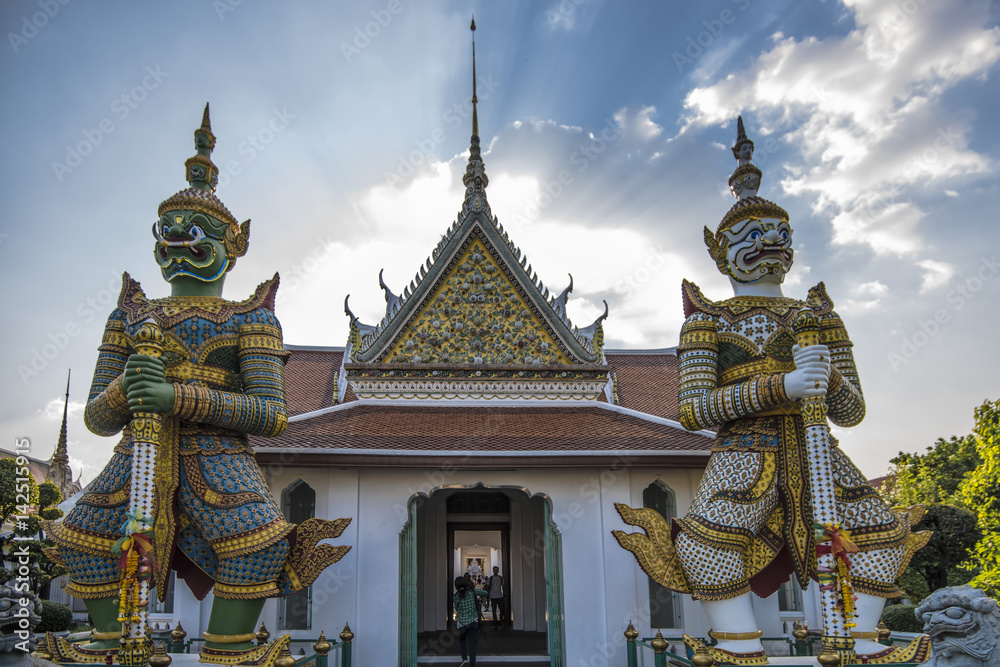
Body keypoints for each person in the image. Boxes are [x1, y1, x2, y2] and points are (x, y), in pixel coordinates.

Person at [614, 117, 931, 665]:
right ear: (722, 252)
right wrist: (779, 386)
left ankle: (860, 641)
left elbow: (852, 409)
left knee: (880, 539)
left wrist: (827, 378)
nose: (770, 244)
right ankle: (740, 646)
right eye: (752, 236)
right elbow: (694, 411)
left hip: (816, 449)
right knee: (704, 547)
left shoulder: (818, 316)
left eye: (779, 233)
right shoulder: (707, 322)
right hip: (744, 449)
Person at [43, 106, 351, 667]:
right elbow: (96, 416)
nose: (180, 241)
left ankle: (228, 649)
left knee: (260, 547)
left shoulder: (250, 317)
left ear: (233, 244)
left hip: (216, 456)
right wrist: (125, 393)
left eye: (196, 232)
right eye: (169, 232)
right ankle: (110, 643)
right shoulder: (130, 315)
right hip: (137, 456)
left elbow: (270, 414)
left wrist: (176, 397)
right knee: (81, 541)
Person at [453, 576, 487, 667]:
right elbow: (485, 593)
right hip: (473, 621)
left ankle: (464, 658)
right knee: (472, 644)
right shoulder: (472, 592)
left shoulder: (456, 597)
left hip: (462, 623)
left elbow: (456, 609)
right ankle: (472, 664)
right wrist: (483, 602)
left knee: (462, 640)